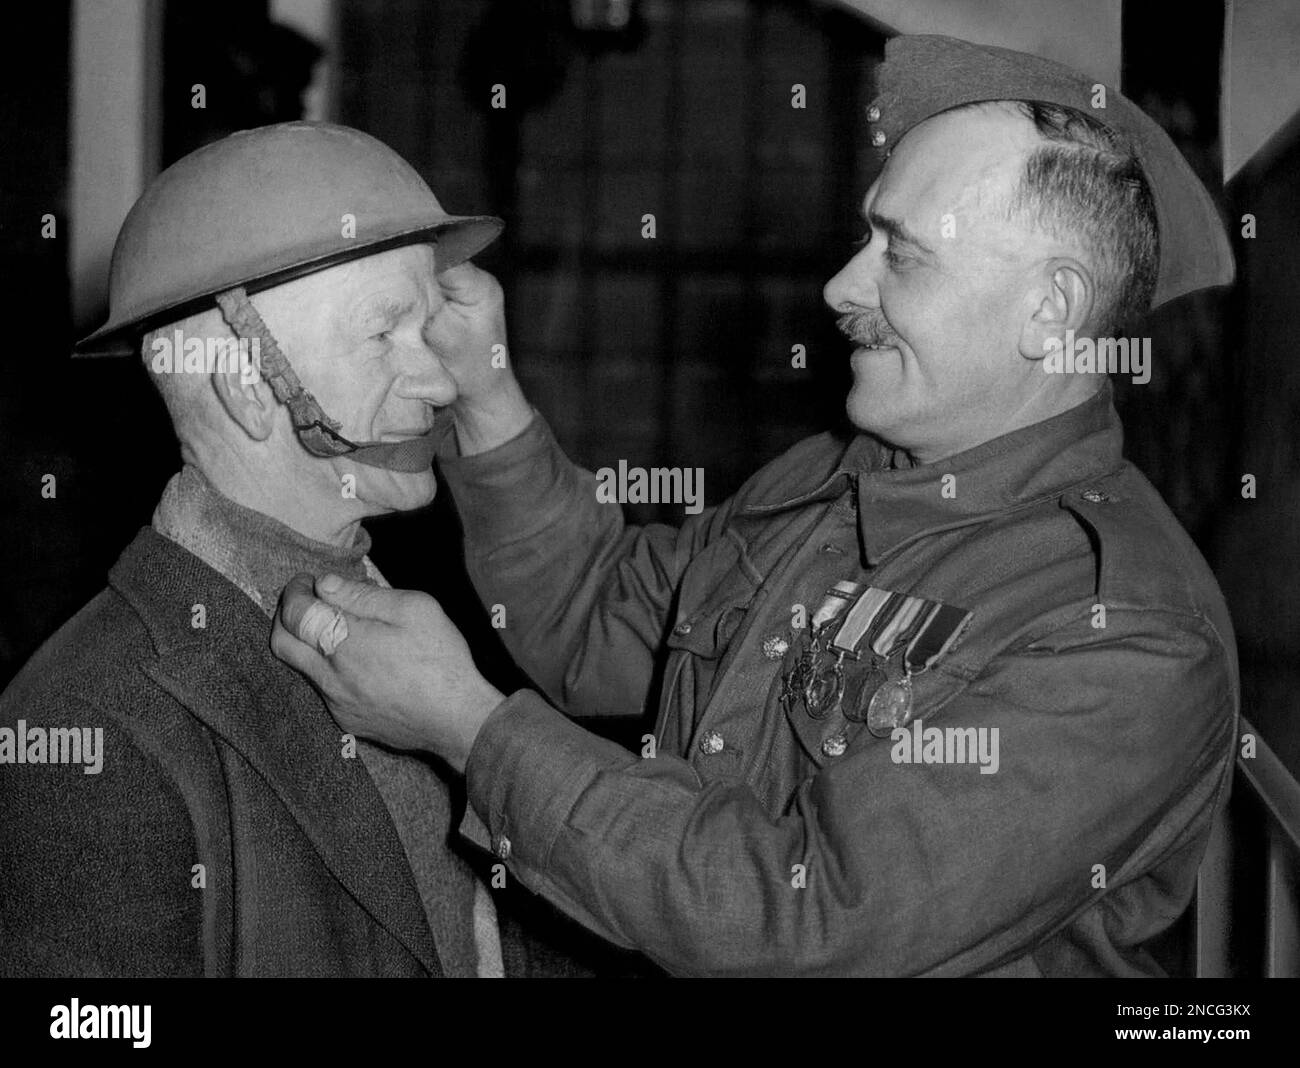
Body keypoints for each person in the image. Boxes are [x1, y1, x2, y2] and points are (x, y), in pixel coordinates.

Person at [272, 36, 1240, 976]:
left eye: (900, 255)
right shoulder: (833, 475)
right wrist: (486, 394)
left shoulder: (1130, 637)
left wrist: (468, 729)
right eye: (868, 235)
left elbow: (803, 916)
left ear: (1050, 311)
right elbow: (595, 613)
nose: (839, 286)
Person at [0, 122, 517, 976]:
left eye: (428, 331)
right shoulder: (89, 726)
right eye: (384, 334)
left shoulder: (420, 627)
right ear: (248, 384)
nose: (444, 382)